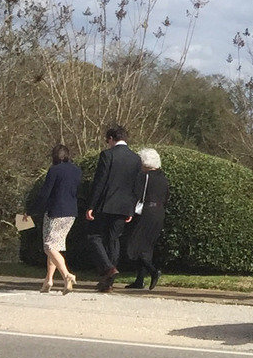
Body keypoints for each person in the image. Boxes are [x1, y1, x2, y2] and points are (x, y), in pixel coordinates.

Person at [85, 123, 146, 293]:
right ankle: (108, 281)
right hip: (125, 206)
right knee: (114, 239)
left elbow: (100, 182)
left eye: (108, 140)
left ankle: (107, 268)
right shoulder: (136, 159)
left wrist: (91, 205)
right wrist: (131, 209)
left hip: (106, 204)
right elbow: (137, 186)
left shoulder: (107, 155)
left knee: (94, 236)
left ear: (111, 139)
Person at [31, 144, 83, 295]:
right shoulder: (76, 170)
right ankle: (48, 280)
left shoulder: (54, 170)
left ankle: (67, 275)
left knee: (49, 246)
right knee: (55, 245)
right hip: (71, 211)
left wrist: (31, 210)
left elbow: (45, 193)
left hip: (55, 211)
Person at [124, 148, 170, 291]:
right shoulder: (163, 178)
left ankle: (153, 271)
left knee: (134, 245)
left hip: (146, 212)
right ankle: (140, 279)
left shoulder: (144, 176)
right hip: (159, 212)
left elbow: (137, 193)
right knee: (147, 246)